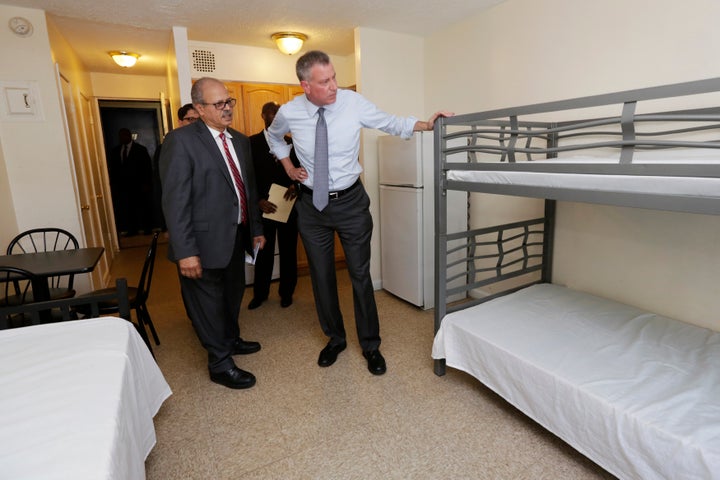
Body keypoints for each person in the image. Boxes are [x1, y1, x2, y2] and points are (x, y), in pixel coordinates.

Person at [267, 50, 453, 376]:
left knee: (359, 276)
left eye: (334, 77)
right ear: (305, 85)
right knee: (322, 277)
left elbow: (390, 122)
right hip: (311, 206)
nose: (334, 86)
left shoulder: (352, 103)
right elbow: (273, 136)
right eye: (325, 82)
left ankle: (371, 345)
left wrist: (426, 123)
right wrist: (288, 165)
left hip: (351, 204)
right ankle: (335, 338)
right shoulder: (289, 111)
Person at [159, 77, 266, 390]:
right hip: (200, 243)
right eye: (218, 104)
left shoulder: (241, 141)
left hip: (235, 237)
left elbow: (248, 190)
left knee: (232, 295)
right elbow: (175, 201)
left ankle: (231, 340)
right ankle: (220, 363)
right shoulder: (181, 142)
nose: (227, 108)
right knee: (207, 305)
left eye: (228, 101)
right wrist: (185, 251)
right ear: (199, 109)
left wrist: (256, 228)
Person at [248, 101, 299, 310]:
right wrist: (258, 200)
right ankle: (260, 294)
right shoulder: (250, 143)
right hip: (263, 206)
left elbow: (302, 170)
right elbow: (246, 177)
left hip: (288, 206)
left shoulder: (292, 143)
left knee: (289, 252)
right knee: (263, 254)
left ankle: (286, 293)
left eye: (279, 113)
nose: (275, 115)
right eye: (271, 112)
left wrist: (295, 185)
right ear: (262, 115)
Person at [152, 104, 200, 232]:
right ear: (180, 122)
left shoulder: (208, 144)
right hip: (185, 221)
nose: (195, 123)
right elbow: (166, 188)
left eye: (198, 119)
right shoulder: (171, 144)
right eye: (190, 119)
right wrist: (167, 226)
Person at [108, 127, 154, 236]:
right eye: (120, 136)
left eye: (125, 135)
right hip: (123, 187)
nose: (122, 138)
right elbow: (113, 169)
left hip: (139, 185)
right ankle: (131, 230)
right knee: (127, 209)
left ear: (129, 136)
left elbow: (147, 168)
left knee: (143, 207)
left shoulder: (140, 150)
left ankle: (147, 229)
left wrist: (147, 183)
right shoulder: (115, 151)